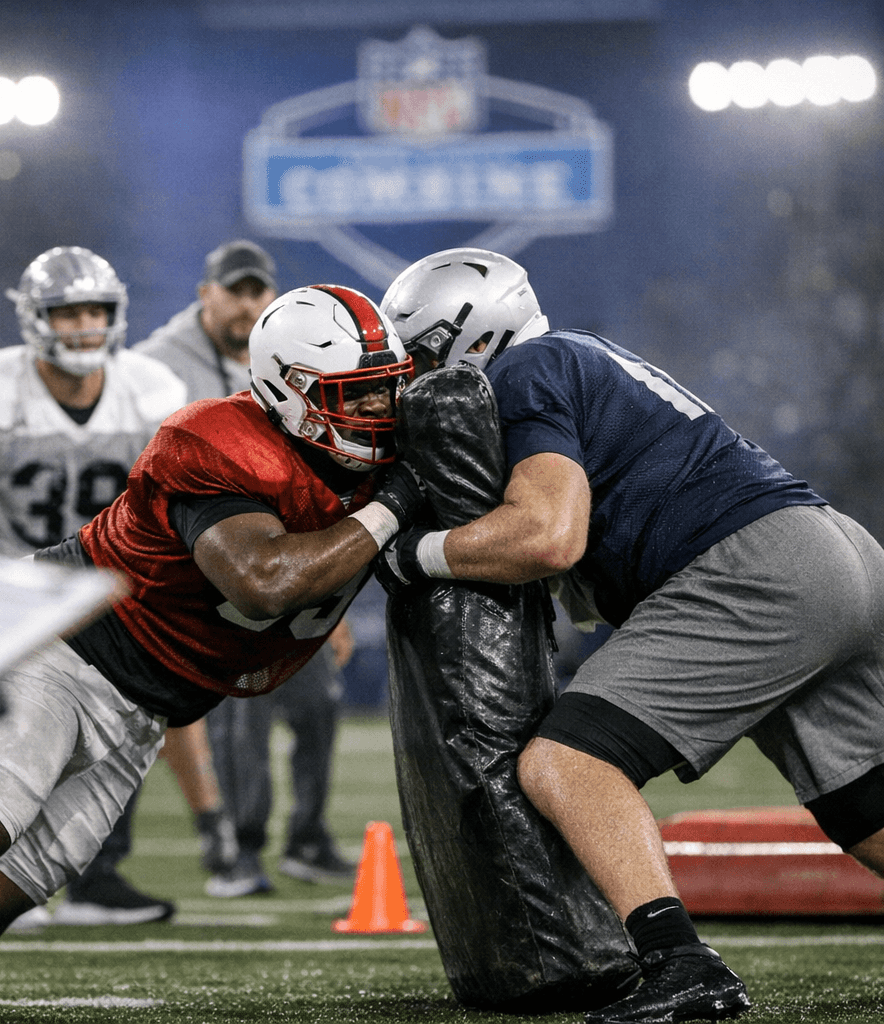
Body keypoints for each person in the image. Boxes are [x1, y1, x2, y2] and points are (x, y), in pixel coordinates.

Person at [0, 282, 425, 954]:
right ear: (290, 389)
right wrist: (396, 505)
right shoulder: (221, 440)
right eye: (358, 391)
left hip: (146, 706)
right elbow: (265, 582)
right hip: (65, 646)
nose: (381, 408)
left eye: (389, 386)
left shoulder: (385, 455)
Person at [377, 247, 884, 1024]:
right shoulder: (577, 352)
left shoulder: (521, 372)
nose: (408, 377)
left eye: (416, 354)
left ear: (469, 339)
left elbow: (549, 537)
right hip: (832, 551)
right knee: (866, 808)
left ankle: (683, 964)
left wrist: (412, 554)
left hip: (756, 566)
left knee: (566, 763)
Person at [0, 244, 198, 926]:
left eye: (95, 311)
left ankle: (94, 878)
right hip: (7, 579)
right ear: (34, 319)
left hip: (110, 589)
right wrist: (13, 593)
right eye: (67, 312)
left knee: (123, 720)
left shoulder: (151, 390)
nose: (83, 326)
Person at [134, 239, 358, 895]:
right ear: (205, 294)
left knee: (320, 703)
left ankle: (307, 839)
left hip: (290, 567)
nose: (248, 302)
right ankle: (239, 847)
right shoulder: (156, 369)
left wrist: (328, 596)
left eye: (259, 290)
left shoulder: (294, 358)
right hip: (209, 572)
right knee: (241, 715)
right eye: (235, 289)